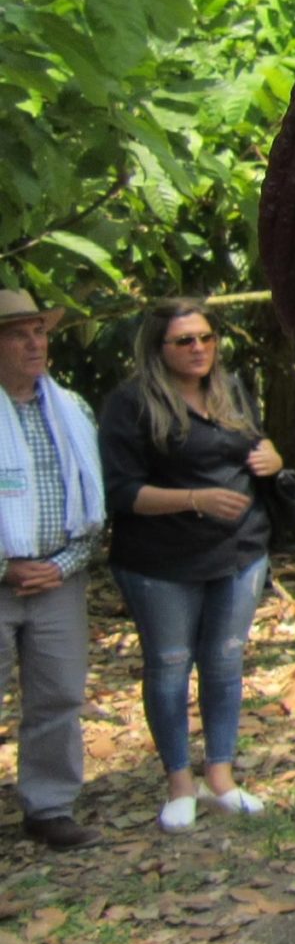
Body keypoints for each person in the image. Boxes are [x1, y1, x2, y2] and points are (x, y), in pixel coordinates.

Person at [99, 299, 282, 832]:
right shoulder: (130, 404)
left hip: (239, 552)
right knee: (171, 665)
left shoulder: (231, 389)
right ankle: (180, 783)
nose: (199, 348)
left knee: (225, 663)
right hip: (160, 561)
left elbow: (256, 443)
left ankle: (220, 777)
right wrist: (194, 499)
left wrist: (272, 455)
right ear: (158, 349)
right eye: (184, 341)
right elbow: (121, 492)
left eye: (205, 337)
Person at [0, 291, 105, 851]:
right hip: (3, 581)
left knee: (58, 695)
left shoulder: (71, 410)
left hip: (58, 580)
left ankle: (49, 807)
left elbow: (93, 507)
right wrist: (7, 567)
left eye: (39, 332)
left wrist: (59, 565)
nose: (34, 343)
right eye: (19, 334)